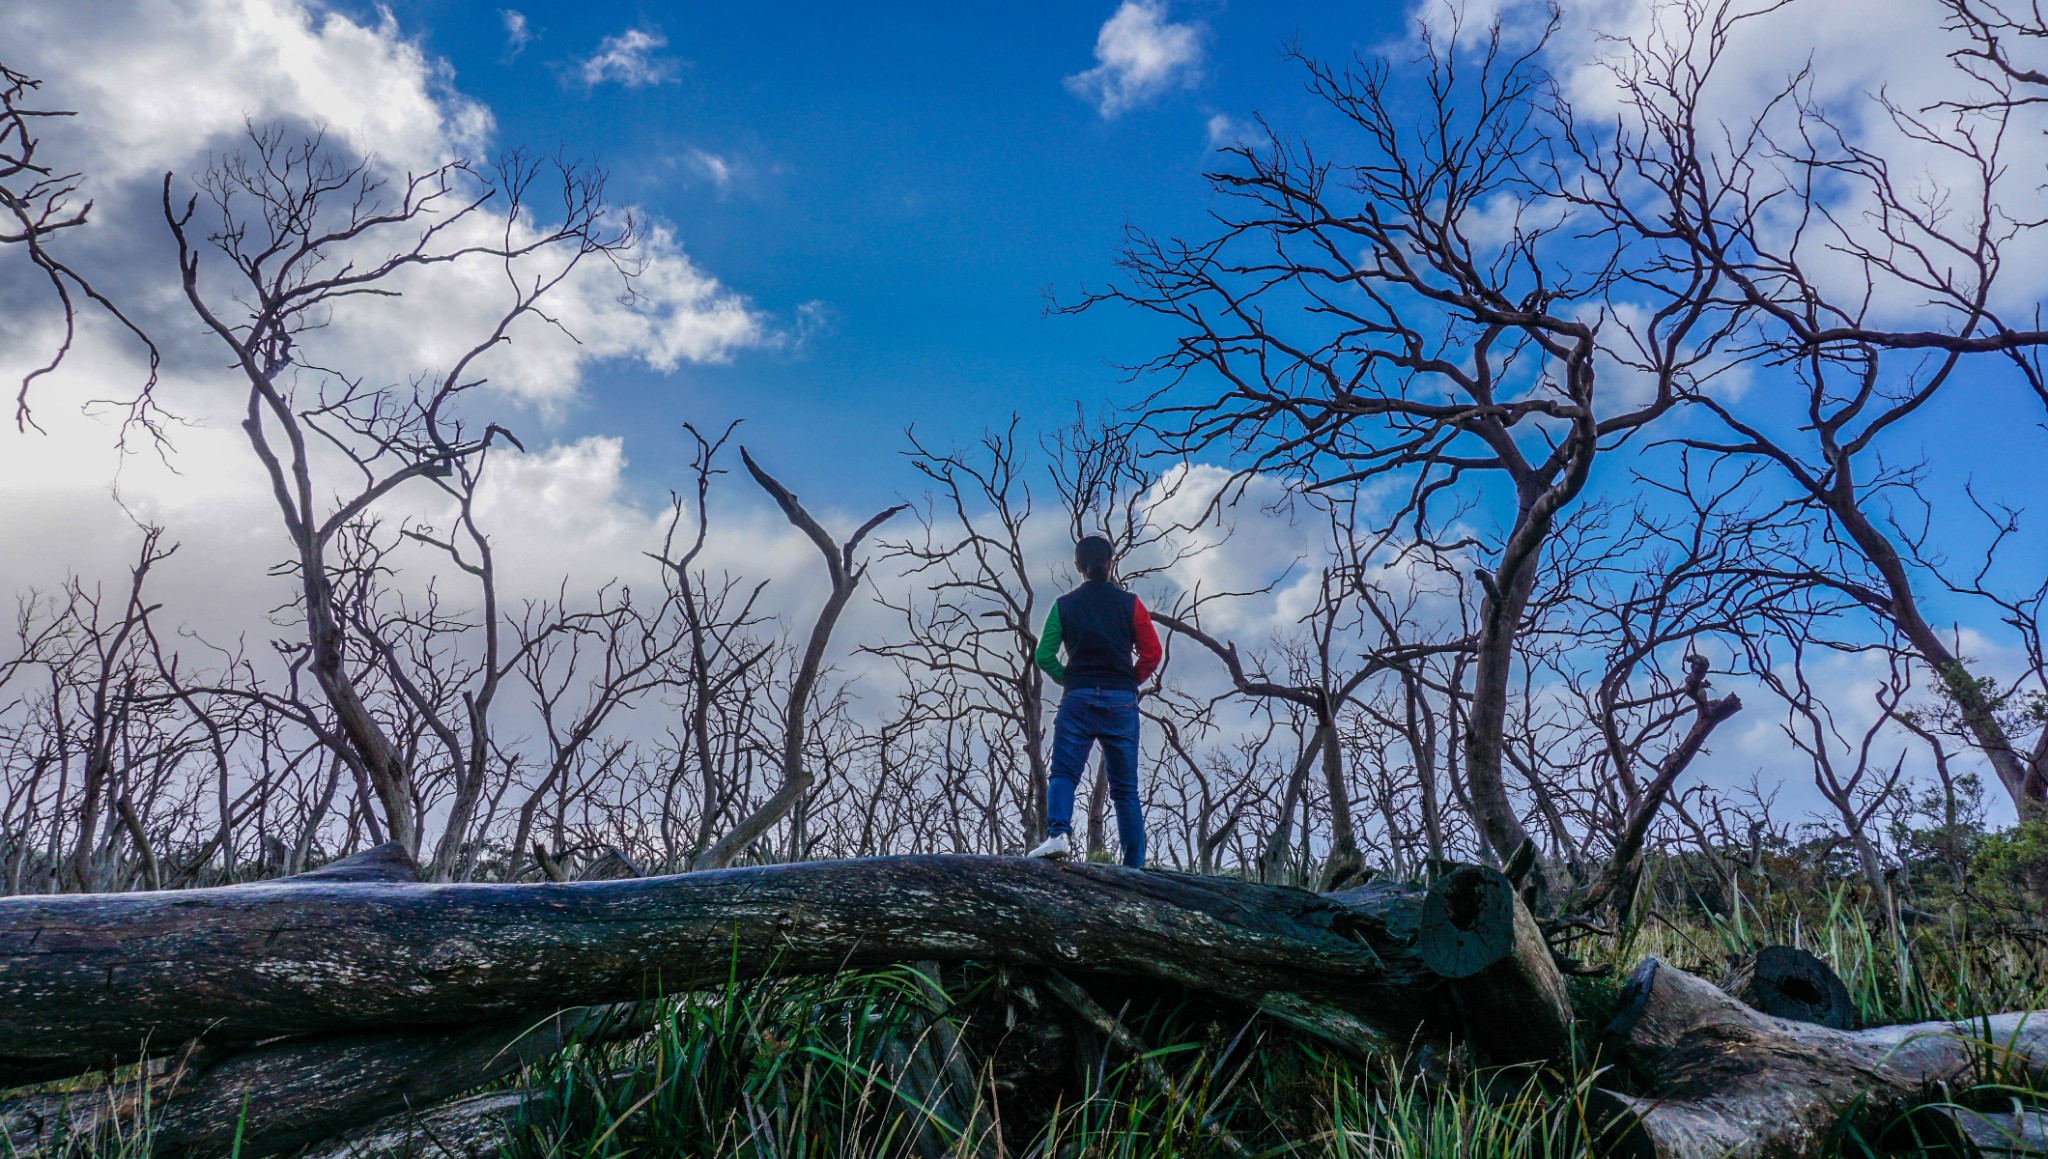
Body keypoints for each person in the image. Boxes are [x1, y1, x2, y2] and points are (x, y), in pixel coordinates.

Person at [1026, 535, 1162, 866]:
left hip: (1079, 697)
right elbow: (1152, 653)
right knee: (1125, 790)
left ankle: (1058, 836)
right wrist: (1131, 680)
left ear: (1078, 567)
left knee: (1063, 775)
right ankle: (1134, 865)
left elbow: (1044, 655)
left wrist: (1066, 677)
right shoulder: (1131, 604)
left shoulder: (1064, 605)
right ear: (1111, 563)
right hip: (1121, 700)